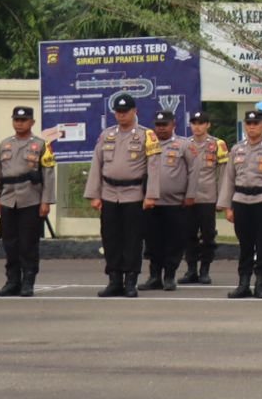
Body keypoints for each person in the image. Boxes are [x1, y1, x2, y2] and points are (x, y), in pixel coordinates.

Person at [86, 93, 155, 298]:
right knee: (111, 238)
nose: (121, 115)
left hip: (133, 194)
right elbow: (96, 164)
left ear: (135, 112)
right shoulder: (107, 135)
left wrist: (151, 195)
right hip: (109, 193)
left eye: (125, 111)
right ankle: (114, 279)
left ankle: (131, 280)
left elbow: (154, 168)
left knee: (132, 239)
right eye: (118, 112)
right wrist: (94, 194)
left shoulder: (146, 135)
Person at [0, 105, 55, 297]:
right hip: (8, 199)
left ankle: (28, 281)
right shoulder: (4, 144)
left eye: (23, 120)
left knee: (28, 243)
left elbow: (48, 175)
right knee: (10, 242)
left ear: (32, 122)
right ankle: (12, 281)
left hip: (31, 199)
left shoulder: (41, 145)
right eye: (16, 120)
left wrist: (46, 201)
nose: (19, 123)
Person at [219, 109, 262, 300]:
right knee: (245, 245)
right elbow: (229, 179)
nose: (252, 127)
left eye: (256, 124)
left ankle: (261, 283)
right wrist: (227, 207)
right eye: (249, 124)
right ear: (245, 126)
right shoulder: (237, 149)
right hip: (241, 201)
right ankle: (243, 283)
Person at [139, 111, 192, 292]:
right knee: (153, 242)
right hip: (152, 203)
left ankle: (169, 276)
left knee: (174, 242)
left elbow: (194, 171)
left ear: (173, 125)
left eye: (165, 125)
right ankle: (154, 276)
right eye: (158, 125)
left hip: (176, 203)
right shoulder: (147, 144)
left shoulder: (183, 145)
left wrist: (190, 195)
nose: (161, 129)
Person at [179, 111, 226, 285]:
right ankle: (191, 269)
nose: (197, 127)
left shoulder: (217, 145)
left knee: (208, 235)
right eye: (194, 123)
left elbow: (222, 173)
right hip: (189, 197)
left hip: (208, 197)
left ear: (208, 125)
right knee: (188, 234)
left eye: (201, 123)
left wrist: (222, 199)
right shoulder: (184, 144)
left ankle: (205, 269)